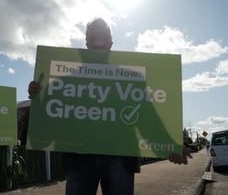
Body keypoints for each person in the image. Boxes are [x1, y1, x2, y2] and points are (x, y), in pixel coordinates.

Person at [28, 18, 191, 195]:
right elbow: (45, 133)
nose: (98, 41)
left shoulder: (131, 80)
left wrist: (171, 147)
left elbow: (148, 120)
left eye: (103, 36)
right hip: (79, 160)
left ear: (110, 43)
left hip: (120, 161)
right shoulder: (64, 83)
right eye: (94, 36)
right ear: (86, 42)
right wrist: (38, 100)